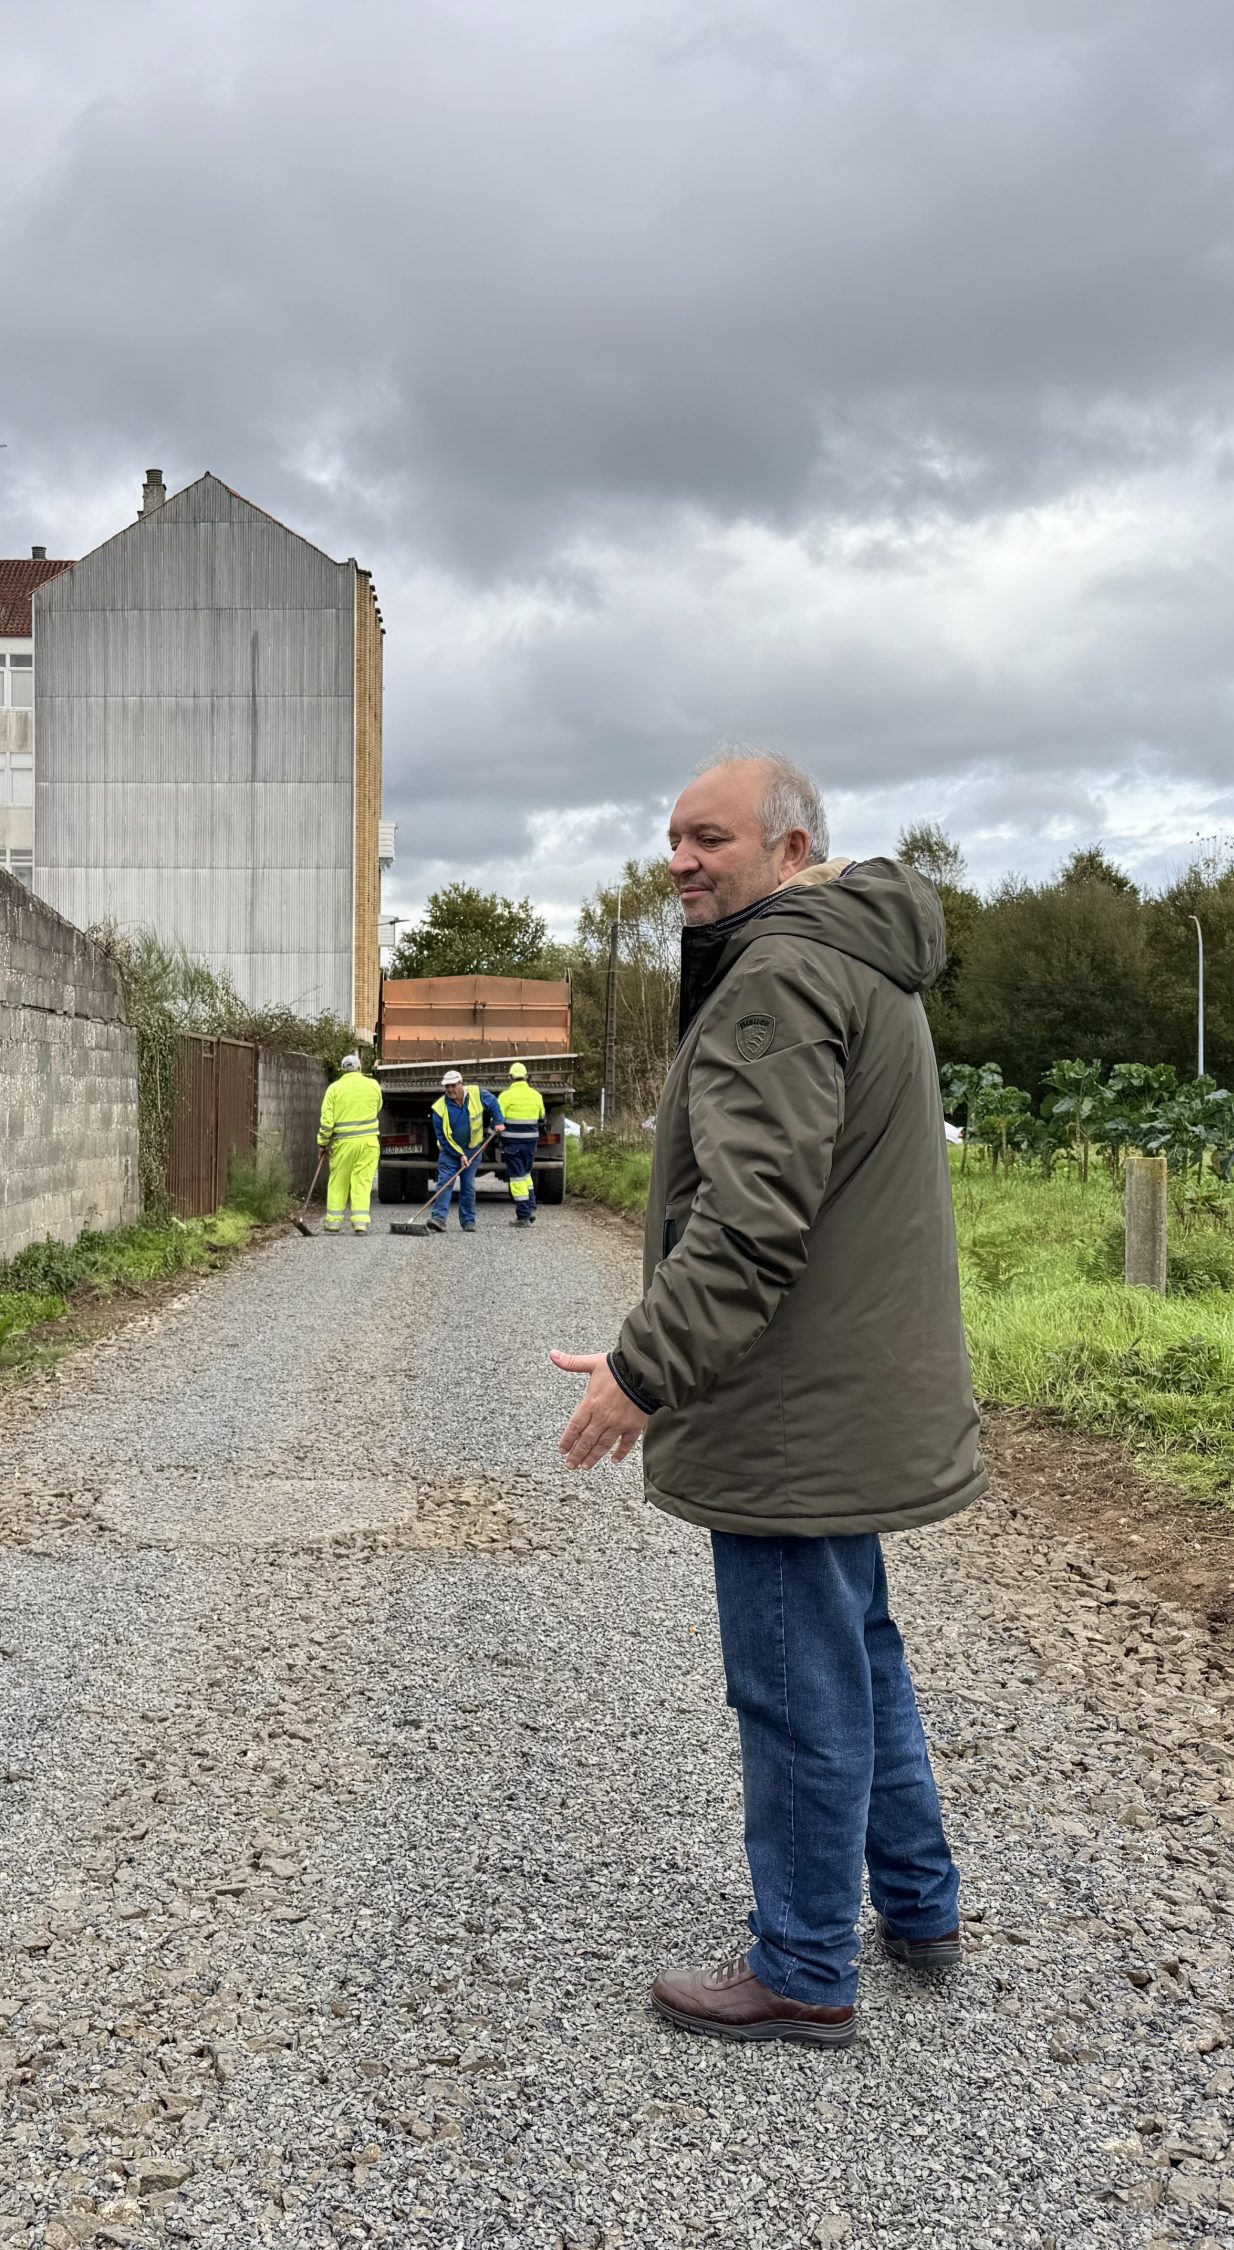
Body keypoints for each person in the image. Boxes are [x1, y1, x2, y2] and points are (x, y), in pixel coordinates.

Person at [551, 751, 984, 2045]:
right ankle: (917, 1901)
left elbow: (747, 1224)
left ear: (792, 851)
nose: (681, 859)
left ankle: (802, 1962)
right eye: (673, 837)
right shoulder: (856, 955)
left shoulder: (779, 977)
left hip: (790, 1407)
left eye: (712, 837)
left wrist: (644, 1366)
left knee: (796, 1676)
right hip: (844, 1389)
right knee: (859, 1646)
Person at [316, 1051, 384, 1234]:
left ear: (342, 1070)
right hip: (369, 1142)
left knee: (338, 1181)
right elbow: (378, 1107)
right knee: (362, 1181)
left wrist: (322, 1144)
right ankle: (360, 1223)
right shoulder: (373, 1085)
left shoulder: (334, 1089)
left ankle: (333, 1223)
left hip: (343, 1144)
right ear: (360, 1068)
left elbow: (326, 1122)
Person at [428, 1069, 491, 1230]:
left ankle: (469, 1221)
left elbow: (494, 1105)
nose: (449, 1089)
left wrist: (497, 1122)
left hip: (472, 1150)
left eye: (453, 1085)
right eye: (447, 1086)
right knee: (444, 1183)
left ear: (461, 1083)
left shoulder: (477, 1093)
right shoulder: (439, 1109)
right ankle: (438, 1219)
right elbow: (443, 1139)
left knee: (468, 1185)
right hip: (450, 1153)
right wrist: (459, 1155)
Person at [494, 1060, 545, 1226]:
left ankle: (523, 1216)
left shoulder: (505, 1096)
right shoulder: (537, 1096)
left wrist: (490, 1137)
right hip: (530, 1144)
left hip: (512, 1145)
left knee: (516, 1179)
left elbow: (498, 1120)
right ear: (526, 1077)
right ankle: (530, 1208)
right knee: (526, 1175)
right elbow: (542, 1119)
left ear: (510, 1077)